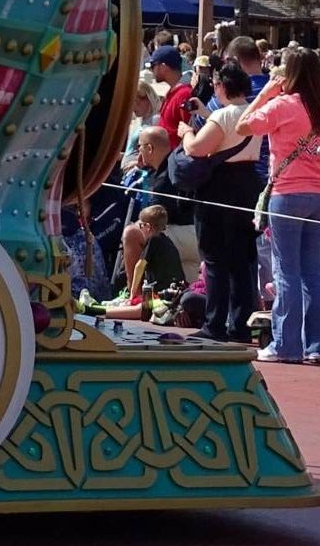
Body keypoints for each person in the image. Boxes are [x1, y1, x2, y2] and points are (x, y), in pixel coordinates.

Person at [239, 44, 320, 364]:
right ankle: (315, 345)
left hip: (288, 193)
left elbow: (243, 126)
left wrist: (266, 92)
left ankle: (285, 344)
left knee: (286, 271)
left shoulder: (281, 105)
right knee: (312, 271)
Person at [178, 60, 261, 342]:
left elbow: (197, 149)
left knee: (214, 259)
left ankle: (214, 324)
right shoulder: (253, 112)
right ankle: (240, 325)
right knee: (241, 260)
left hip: (219, 187)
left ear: (223, 86)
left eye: (215, 84)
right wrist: (205, 114)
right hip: (247, 182)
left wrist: (185, 132)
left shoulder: (223, 116)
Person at [125, 124, 201, 283]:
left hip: (183, 232)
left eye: (140, 147)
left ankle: (135, 295)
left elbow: (153, 219)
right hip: (196, 232)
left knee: (131, 233)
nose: (138, 152)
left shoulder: (163, 179)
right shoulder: (173, 163)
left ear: (150, 148)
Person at [102, 204, 185, 319]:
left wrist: (132, 294)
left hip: (161, 295)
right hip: (175, 292)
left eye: (140, 225)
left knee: (142, 308)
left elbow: (139, 266)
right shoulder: (168, 242)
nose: (139, 228)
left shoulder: (152, 240)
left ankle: (98, 311)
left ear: (148, 227)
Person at [149, 46, 194, 133]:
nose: (151, 70)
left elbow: (190, 132)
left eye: (153, 65)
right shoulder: (173, 91)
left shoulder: (185, 94)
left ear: (163, 67)